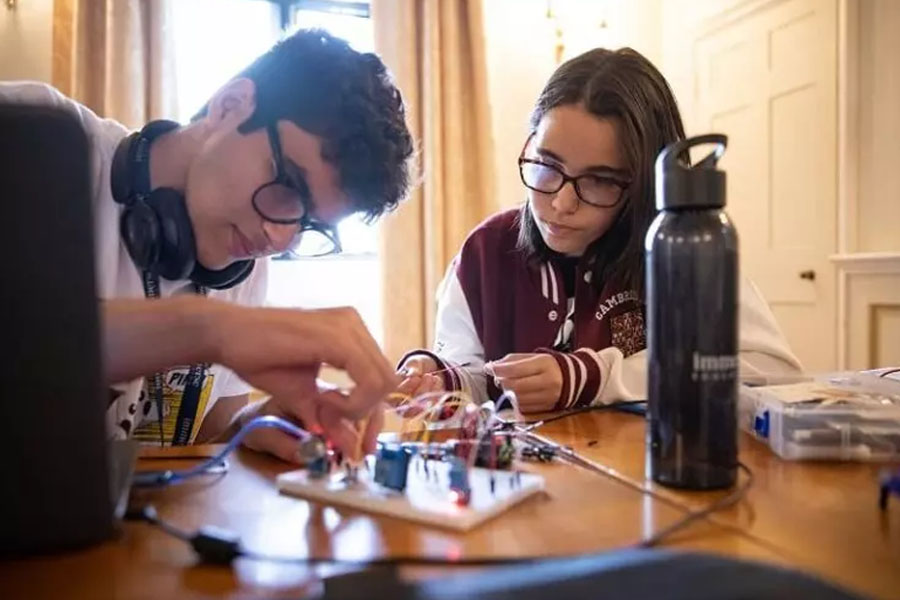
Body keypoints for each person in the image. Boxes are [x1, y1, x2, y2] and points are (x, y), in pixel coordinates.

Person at [0, 29, 414, 460]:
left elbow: (203, 442)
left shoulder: (243, 262)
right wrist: (211, 330)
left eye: (307, 223)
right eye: (288, 185)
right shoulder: (33, 139)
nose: (279, 237)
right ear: (229, 105)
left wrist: (253, 426)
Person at [396, 47, 801, 414]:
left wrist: (599, 378)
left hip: (646, 470)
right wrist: (442, 380)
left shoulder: (680, 247)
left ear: (644, 185)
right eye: (547, 165)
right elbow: (477, 381)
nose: (561, 203)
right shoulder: (485, 251)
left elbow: (773, 370)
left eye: (599, 181)